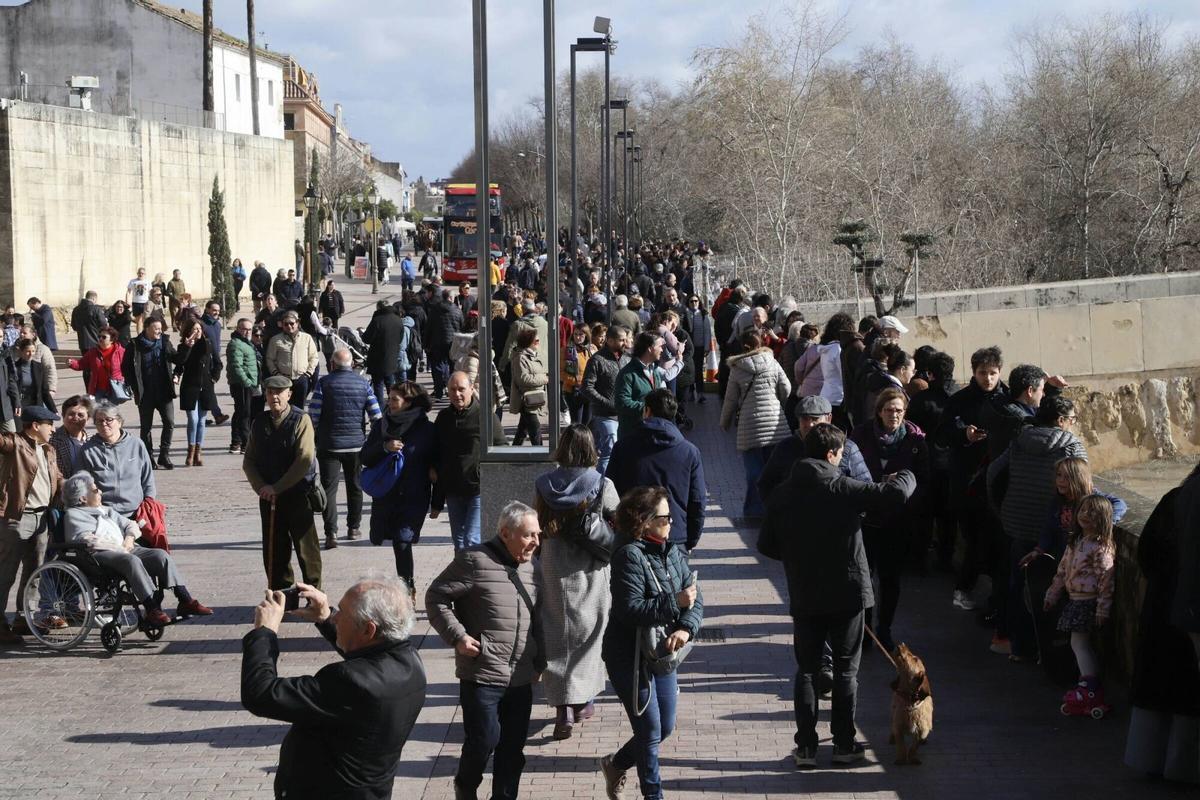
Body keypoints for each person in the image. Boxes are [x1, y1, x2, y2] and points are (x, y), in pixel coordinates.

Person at [762, 423, 915, 768]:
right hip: (847, 593)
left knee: (806, 670)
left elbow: (768, 544)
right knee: (846, 671)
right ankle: (844, 744)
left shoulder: (783, 493)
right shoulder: (842, 486)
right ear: (833, 454)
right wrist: (906, 473)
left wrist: (799, 556)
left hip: (805, 592)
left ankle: (806, 748)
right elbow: (894, 496)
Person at [241, 578, 427, 800]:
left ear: (369, 629)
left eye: (343, 614)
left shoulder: (348, 682)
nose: (336, 616)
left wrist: (264, 633)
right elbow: (368, 659)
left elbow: (260, 694)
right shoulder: (410, 662)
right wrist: (325, 618)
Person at [425, 501, 544, 800]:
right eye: (529, 535)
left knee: (512, 749)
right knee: (484, 741)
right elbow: (436, 597)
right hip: (482, 672)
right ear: (505, 532)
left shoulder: (534, 568)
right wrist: (458, 637)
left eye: (538, 535)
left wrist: (540, 660)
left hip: (520, 675)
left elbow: (538, 617)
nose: (536, 542)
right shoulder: (474, 560)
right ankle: (465, 787)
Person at [600, 486, 703, 800]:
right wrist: (675, 601)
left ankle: (616, 764)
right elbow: (628, 609)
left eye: (670, 517)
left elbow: (696, 598)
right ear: (643, 521)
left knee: (665, 727)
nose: (671, 523)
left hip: (662, 653)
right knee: (649, 731)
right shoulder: (628, 555)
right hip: (629, 657)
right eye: (664, 518)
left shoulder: (672, 551)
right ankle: (653, 795)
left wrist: (685, 628)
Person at [533, 425, 617, 739]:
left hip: (554, 565)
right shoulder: (601, 483)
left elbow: (538, 524)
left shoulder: (544, 483)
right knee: (590, 633)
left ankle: (562, 708)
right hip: (590, 567)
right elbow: (618, 521)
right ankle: (583, 702)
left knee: (557, 635)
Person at [987, 395, 1086, 661]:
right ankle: (1050, 652)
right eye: (1072, 419)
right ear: (1062, 420)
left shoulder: (1020, 440)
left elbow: (993, 473)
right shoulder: (1071, 445)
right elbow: (1083, 487)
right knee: (1055, 591)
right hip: (1055, 528)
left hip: (1018, 524)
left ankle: (1019, 648)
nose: (1073, 424)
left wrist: (1002, 510)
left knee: (1018, 586)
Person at [62, 474, 210, 626]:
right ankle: (152, 608)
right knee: (131, 560)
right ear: (82, 499)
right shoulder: (73, 515)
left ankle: (185, 599)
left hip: (125, 548)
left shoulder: (105, 510)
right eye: (95, 490)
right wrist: (120, 548)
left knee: (160, 555)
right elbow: (88, 541)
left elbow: (131, 524)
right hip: (99, 556)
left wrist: (129, 539)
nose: (100, 492)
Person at [850, 388, 930, 652]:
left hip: (898, 521)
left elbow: (924, 480)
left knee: (890, 579)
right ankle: (866, 630)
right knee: (864, 578)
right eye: (888, 410)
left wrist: (906, 499)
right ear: (879, 411)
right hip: (866, 519)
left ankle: (884, 629)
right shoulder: (861, 435)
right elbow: (849, 471)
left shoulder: (916, 441)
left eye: (898, 410)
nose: (893, 415)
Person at [935, 346, 1007, 617]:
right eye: (982, 373)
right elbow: (942, 434)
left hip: (998, 482)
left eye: (992, 373)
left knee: (995, 542)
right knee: (975, 539)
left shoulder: (1007, 397)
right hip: (967, 481)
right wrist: (964, 433)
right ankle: (964, 588)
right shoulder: (960, 400)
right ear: (973, 373)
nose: (988, 379)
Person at [242, 376, 322, 590]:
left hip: (297, 493)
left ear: (289, 394)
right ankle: (282, 594)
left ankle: (314, 593)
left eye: (279, 392)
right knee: (274, 550)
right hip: (269, 497)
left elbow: (304, 460)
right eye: (270, 392)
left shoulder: (300, 420)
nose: (274, 396)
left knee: (307, 549)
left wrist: (277, 487)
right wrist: (261, 487)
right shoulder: (259, 422)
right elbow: (249, 461)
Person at [1044, 494, 1116, 715]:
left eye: (1092, 512)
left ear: (1103, 518)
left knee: (1079, 644)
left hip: (1087, 602)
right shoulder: (1076, 542)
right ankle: (1087, 684)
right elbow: (1062, 571)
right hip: (1074, 600)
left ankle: (1090, 686)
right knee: (1079, 644)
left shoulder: (1100, 548)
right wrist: (1052, 594)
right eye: (1083, 510)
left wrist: (1103, 609)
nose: (1085, 515)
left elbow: (1106, 579)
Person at [608, 389, 707, 552]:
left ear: (647, 411)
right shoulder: (690, 452)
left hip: (632, 536)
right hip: (674, 536)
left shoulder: (623, 447)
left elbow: (611, 494)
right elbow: (697, 501)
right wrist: (689, 540)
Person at [362, 382, 436, 593]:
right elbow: (365, 457)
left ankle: (407, 586)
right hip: (387, 495)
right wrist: (384, 448)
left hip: (414, 495)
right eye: (389, 398)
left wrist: (434, 474)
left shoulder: (426, 429)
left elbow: (437, 458)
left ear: (409, 402)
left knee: (403, 540)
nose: (390, 403)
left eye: (395, 399)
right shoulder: (382, 426)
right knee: (396, 540)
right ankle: (407, 585)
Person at [0, 406, 63, 643]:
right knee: (5, 573)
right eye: (49, 424)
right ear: (35, 426)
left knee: (34, 572)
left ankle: (23, 618)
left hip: (41, 519)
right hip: (16, 518)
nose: (54, 428)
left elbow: (56, 478)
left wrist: (71, 487)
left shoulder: (48, 449)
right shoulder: (14, 444)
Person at [309, 349, 381, 550]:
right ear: (351, 364)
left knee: (328, 489)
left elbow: (313, 415)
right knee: (355, 486)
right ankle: (353, 527)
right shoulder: (363, 384)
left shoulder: (324, 383)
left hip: (329, 445)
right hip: (356, 445)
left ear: (332, 364)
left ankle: (330, 532)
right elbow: (376, 415)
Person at [720, 329, 792, 520]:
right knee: (774, 467)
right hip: (775, 421)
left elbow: (730, 399)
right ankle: (775, 507)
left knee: (754, 469)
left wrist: (724, 421)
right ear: (760, 343)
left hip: (749, 423)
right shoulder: (772, 362)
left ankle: (754, 510)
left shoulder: (737, 368)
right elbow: (786, 387)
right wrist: (778, 403)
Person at [431, 372, 502, 552]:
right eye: (452, 390)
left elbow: (501, 447)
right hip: (453, 490)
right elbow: (437, 456)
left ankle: (475, 578)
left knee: (472, 540)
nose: (457, 394)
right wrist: (437, 502)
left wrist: (486, 474)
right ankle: (464, 578)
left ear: (472, 389)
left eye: (461, 389)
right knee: (459, 542)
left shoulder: (485, 416)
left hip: (477, 489)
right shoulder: (443, 418)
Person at [758, 395, 873, 504]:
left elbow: (864, 487)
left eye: (815, 418)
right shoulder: (786, 447)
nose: (810, 424)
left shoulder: (847, 447)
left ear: (828, 418)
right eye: (805, 419)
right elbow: (766, 484)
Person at [78, 403, 156, 517]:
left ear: (119, 422)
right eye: (99, 421)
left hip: (137, 511)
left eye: (109, 420)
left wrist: (149, 502)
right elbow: (81, 483)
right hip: (104, 513)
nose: (104, 424)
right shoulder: (87, 450)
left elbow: (147, 478)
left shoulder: (136, 444)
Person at [122, 318, 177, 470]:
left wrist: (187, 347)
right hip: (145, 394)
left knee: (170, 422)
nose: (160, 331)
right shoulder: (134, 345)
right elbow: (125, 367)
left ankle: (164, 455)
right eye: (156, 328)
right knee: (146, 427)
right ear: (147, 328)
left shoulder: (164, 343)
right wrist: (134, 385)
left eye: (161, 328)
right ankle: (148, 457)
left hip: (164, 392)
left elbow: (177, 358)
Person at [582, 325, 631, 474]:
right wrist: (608, 404)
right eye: (621, 340)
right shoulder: (597, 360)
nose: (625, 343)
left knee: (619, 452)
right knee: (608, 452)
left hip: (623, 415)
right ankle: (600, 487)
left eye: (626, 339)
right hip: (605, 415)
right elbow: (587, 387)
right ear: (609, 341)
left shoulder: (627, 359)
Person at [172, 318, 218, 467]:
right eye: (194, 330)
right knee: (193, 419)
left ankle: (198, 452)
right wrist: (187, 347)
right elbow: (180, 363)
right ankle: (190, 451)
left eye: (199, 329)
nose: (197, 332)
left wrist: (214, 378)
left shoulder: (208, 343)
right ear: (189, 332)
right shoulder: (183, 346)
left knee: (202, 420)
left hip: (205, 386)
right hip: (189, 386)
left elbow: (218, 362)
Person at [266, 311, 320, 406]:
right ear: (282, 325)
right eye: (286, 324)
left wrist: (308, 374)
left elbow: (314, 357)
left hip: (301, 379)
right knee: (284, 407)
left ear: (297, 323)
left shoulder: (307, 338)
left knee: (299, 408)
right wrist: (276, 373)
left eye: (292, 323)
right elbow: (270, 359)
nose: (289, 326)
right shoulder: (275, 340)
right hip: (283, 380)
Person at [509, 325, 548, 447]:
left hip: (533, 398)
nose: (538, 342)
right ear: (528, 342)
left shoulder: (533, 355)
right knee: (535, 429)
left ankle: (514, 451)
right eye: (536, 340)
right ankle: (541, 454)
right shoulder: (520, 358)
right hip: (526, 400)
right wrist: (544, 378)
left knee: (522, 430)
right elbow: (523, 379)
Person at [226, 318, 260, 455]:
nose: (247, 332)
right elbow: (236, 366)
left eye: (249, 329)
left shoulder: (246, 343)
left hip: (248, 383)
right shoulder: (236, 344)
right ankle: (244, 443)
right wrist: (247, 381)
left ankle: (237, 442)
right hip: (241, 384)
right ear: (237, 329)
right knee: (244, 413)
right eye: (243, 329)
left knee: (241, 412)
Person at [364, 301, 407, 404]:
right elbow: (400, 339)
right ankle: (395, 404)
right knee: (391, 384)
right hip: (392, 358)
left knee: (378, 386)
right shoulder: (398, 320)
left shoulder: (377, 320)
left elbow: (366, 338)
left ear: (379, 308)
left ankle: (380, 411)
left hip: (377, 359)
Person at [425, 288, 464, 400]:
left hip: (436, 343)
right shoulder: (457, 310)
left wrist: (426, 344)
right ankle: (451, 389)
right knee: (453, 367)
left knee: (437, 367)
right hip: (453, 343)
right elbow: (462, 327)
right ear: (451, 298)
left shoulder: (435, 309)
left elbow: (429, 328)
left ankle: (438, 392)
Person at [67, 327, 124, 403]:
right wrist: (72, 363)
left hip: (114, 388)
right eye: (99, 336)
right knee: (97, 411)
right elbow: (81, 364)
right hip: (98, 389)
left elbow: (127, 367)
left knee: (110, 412)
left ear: (112, 340)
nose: (100, 339)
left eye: (104, 337)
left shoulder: (120, 351)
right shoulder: (93, 352)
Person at [8, 338, 55, 414]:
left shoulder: (38, 367)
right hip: (19, 406)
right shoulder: (14, 368)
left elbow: (44, 390)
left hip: (35, 405)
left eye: (33, 351)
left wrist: (53, 409)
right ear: (21, 351)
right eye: (28, 351)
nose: (31, 354)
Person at [50, 395, 93, 476]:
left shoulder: (93, 441)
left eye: (80, 415)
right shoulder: (52, 441)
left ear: (87, 419)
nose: (75, 418)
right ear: (63, 415)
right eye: (71, 414)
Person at [562, 323, 594, 424]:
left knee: (588, 423)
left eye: (581, 335)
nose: (578, 337)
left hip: (589, 391)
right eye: (576, 334)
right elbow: (562, 373)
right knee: (577, 423)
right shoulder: (567, 350)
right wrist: (578, 382)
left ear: (587, 336)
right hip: (573, 391)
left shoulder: (591, 349)